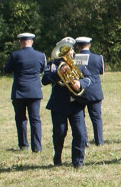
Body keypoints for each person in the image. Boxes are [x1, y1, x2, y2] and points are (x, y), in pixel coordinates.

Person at [41, 37, 97, 167]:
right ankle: (57, 157)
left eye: (70, 49)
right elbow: (44, 81)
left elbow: (91, 78)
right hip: (59, 104)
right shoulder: (53, 64)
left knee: (80, 133)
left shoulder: (80, 61)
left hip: (76, 103)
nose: (70, 52)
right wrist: (58, 73)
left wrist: (80, 83)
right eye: (66, 49)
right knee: (60, 133)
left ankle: (78, 162)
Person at [3, 32, 46, 152]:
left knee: (21, 119)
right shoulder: (40, 55)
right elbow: (42, 69)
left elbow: (7, 70)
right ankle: (37, 147)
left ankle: (23, 144)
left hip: (19, 91)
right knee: (35, 119)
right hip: (35, 91)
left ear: (20, 42)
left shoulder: (15, 55)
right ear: (32, 42)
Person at [74, 36, 105, 145]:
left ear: (78, 46)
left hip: (80, 90)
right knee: (96, 118)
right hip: (95, 91)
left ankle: (84, 141)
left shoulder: (77, 58)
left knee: (80, 118)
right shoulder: (98, 57)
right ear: (90, 45)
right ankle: (99, 141)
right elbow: (101, 71)